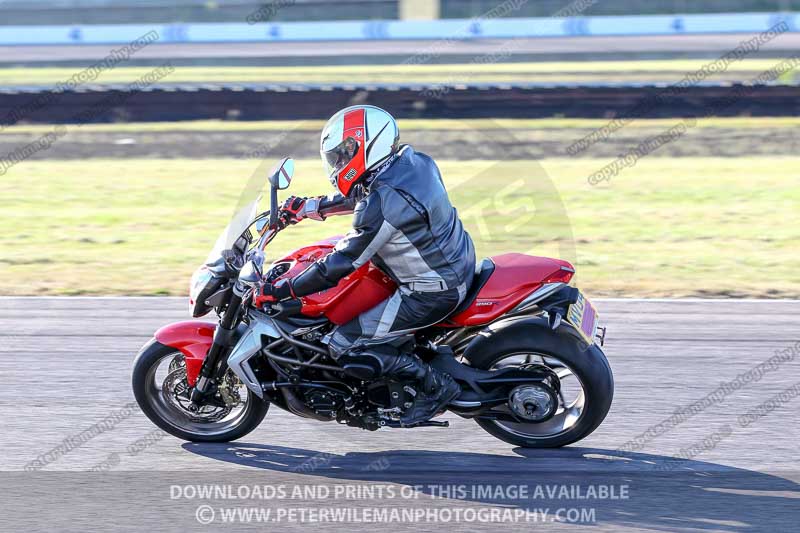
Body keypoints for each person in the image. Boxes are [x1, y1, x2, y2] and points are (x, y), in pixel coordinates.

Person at [260, 105, 476, 426]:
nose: (337, 165)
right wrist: (306, 207)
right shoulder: (411, 162)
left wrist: (283, 289)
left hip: (431, 290)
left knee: (345, 343)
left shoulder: (381, 203)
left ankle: (436, 388)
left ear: (363, 146)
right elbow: (364, 195)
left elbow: (340, 263)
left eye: (341, 156)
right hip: (453, 260)